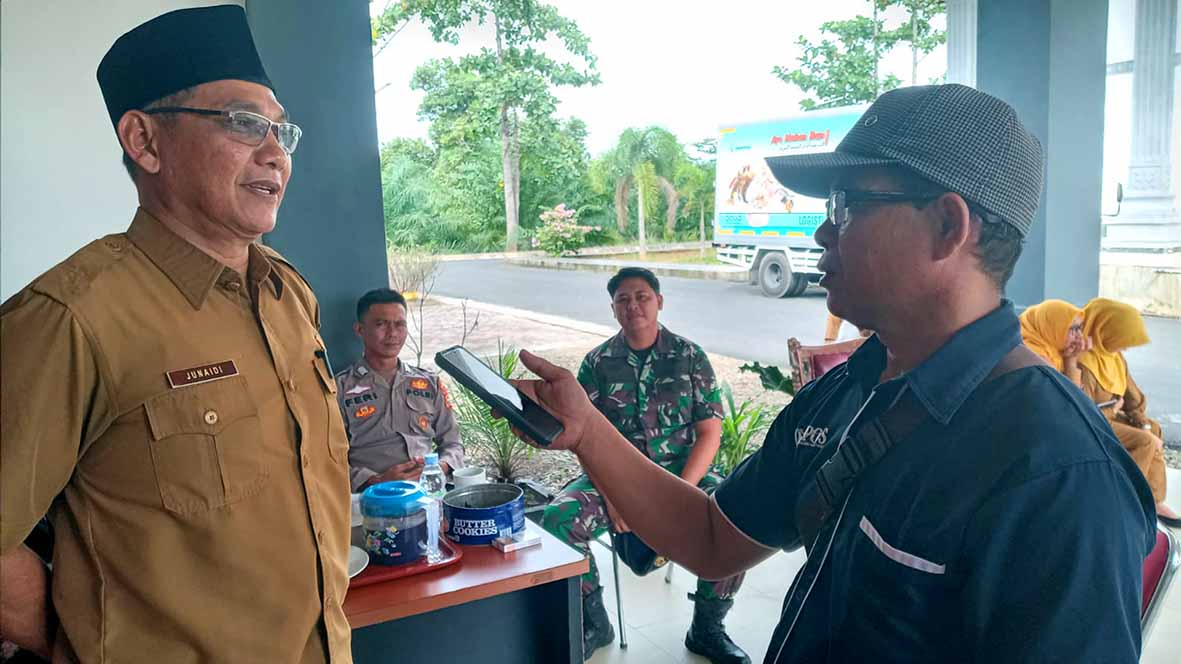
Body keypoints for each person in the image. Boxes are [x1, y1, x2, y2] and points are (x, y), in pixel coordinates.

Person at [506, 84, 1156, 662]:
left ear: (947, 226)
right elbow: (710, 540)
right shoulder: (845, 393)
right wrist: (586, 428)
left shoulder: (1057, 473)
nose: (821, 231)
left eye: (847, 205)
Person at [0, 7, 353, 662]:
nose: (275, 153)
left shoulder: (287, 292)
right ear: (144, 141)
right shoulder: (73, 317)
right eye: (246, 124)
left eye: (281, 131)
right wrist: (68, 633)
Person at [540, 267, 749, 663]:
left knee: (736, 516)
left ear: (659, 302)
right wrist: (615, 495)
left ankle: (707, 628)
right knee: (558, 518)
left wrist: (682, 494)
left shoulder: (689, 356)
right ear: (613, 309)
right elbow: (582, 438)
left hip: (684, 472)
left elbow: (709, 432)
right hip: (614, 473)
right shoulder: (597, 363)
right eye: (623, 299)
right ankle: (594, 621)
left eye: (642, 296)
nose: (633, 305)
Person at [336, 288, 464, 491]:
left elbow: (453, 444)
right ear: (360, 330)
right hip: (371, 497)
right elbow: (328, 459)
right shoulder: (339, 390)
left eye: (399, 324)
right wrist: (376, 481)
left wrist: (439, 468)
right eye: (381, 324)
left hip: (427, 492)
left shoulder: (429, 383)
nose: (392, 333)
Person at [1077, 298, 1180, 526]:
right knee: (1144, 442)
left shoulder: (1113, 357)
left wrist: (1142, 421)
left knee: (1152, 429)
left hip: (1112, 416)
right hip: (1095, 423)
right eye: (1122, 339)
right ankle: (1126, 501)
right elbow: (1084, 411)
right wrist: (1115, 409)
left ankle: (1153, 498)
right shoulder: (1084, 363)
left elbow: (1131, 394)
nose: (1125, 347)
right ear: (1106, 331)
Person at [1019, 298, 1091, 382]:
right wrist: (1070, 363)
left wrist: (1070, 359)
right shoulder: (1036, 359)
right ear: (1050, 328)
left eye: (1080, 328)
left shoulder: (1056, 354)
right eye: (1073, 328)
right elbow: (1069, 394)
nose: (1080, 335)